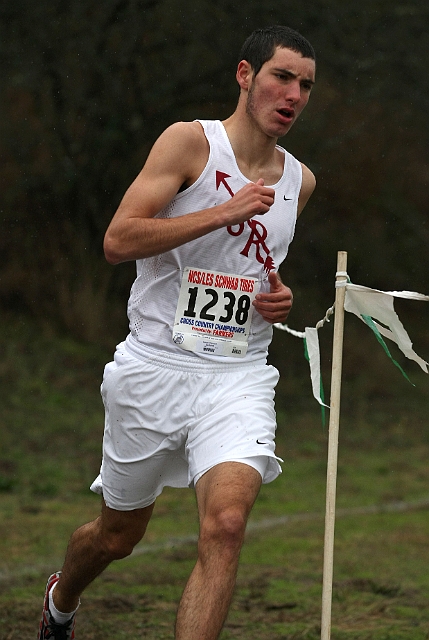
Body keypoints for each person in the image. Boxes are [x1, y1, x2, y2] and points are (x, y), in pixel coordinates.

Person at [38, 24, 316, 640]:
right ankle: (61, 600)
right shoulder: (189, 144)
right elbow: (118, 240)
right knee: (117, 536)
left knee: (225, 525)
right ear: (245, 76)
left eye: (305, 84)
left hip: (237, 374)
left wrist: (279, 299)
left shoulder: (301, 181)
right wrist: (224, 209)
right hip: (154, 368)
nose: (293, 93)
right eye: (281, 76)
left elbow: (248, 272)